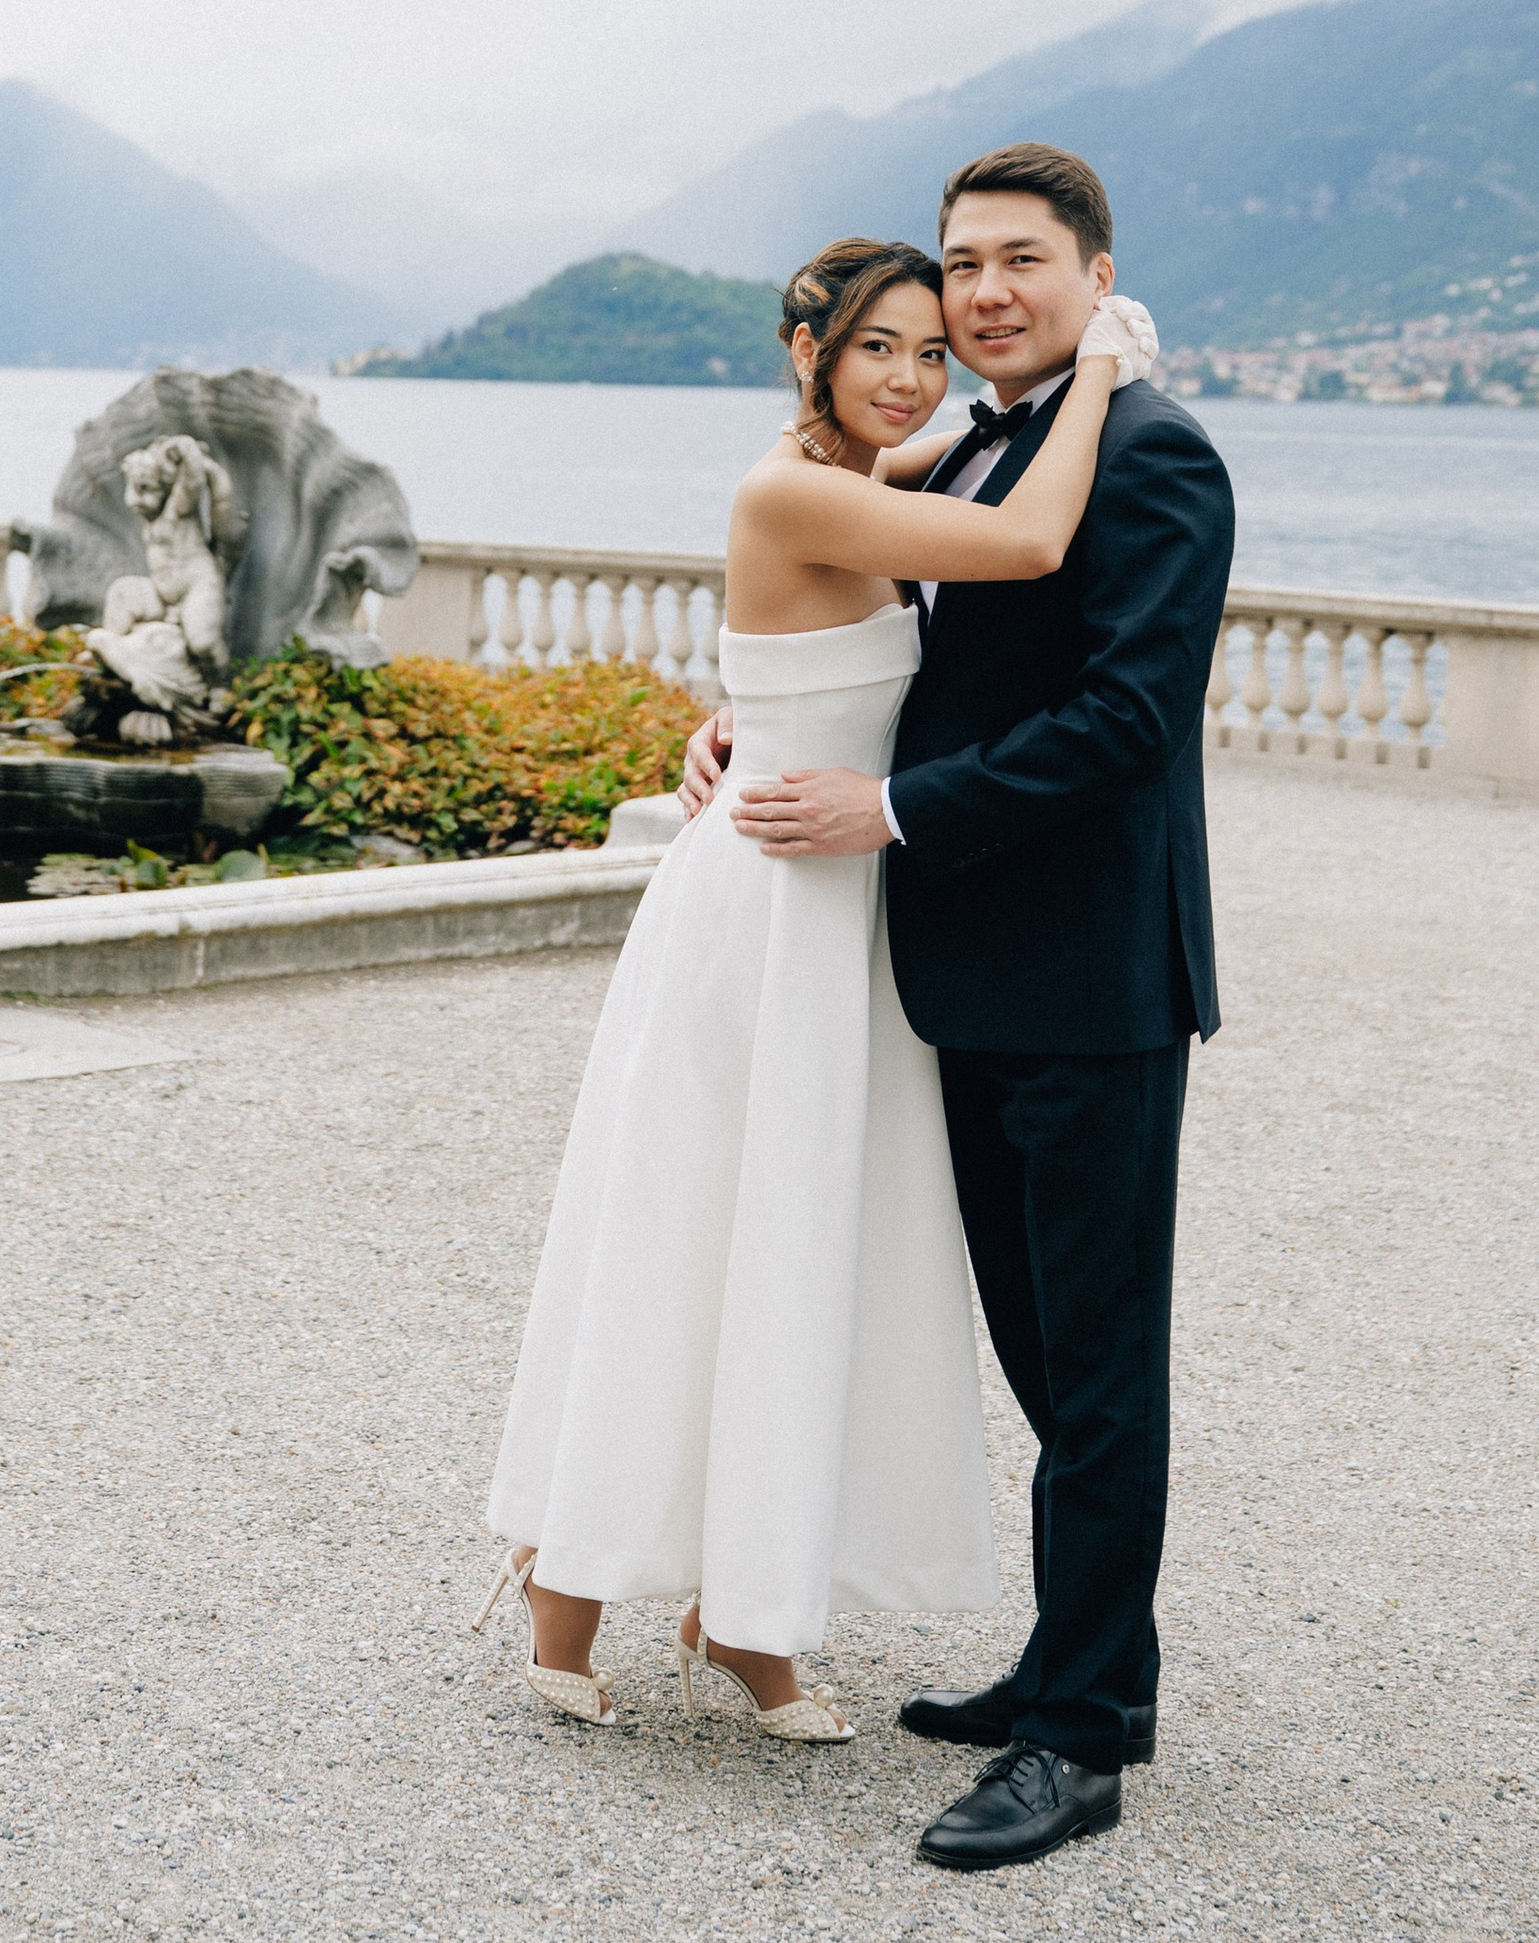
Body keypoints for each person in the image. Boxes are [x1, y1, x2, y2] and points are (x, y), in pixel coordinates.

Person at [476, 234, 1151, 1744]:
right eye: (880, 351)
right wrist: (1101, 356)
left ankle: (751, 1617)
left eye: (931, 349)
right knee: (688, 1225)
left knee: (806, 1249)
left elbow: (907, 581)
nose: (914, 377)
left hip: (853, 911)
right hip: (760, 910)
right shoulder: (790, 485)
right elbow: (1034, 538)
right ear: (810, 357)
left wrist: (741, 717)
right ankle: (563, 1586)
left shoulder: (877, 478)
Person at [683, 143, 1235, 1871]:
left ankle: (1078, 1747)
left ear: (1094, 271)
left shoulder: (1154, 456)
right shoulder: (986, 439)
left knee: (1099, 1371)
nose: (983, 292)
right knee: (1039, 1353)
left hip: (1088, 982)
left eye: (1018, 260)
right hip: (968, 975)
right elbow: (895, 657)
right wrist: (752, 737)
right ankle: (1085, 1670)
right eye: (961, 265)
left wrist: (895, 813)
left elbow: (1125, 724)